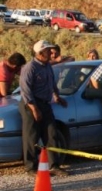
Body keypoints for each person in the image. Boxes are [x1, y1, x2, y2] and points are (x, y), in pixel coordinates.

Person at [18, 40, 69, 177]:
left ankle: (54, 165)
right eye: (48, 51)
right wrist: (34, 109)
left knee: (51, 134)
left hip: (45, 104)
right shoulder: (30, 68)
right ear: (40, 53)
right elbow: (25, 90)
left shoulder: (47, 66)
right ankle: (31, 167)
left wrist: (57, 96)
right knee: (32, 136)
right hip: (31, 104)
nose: (51, 53)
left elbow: (52, 83)